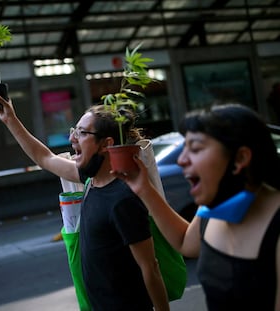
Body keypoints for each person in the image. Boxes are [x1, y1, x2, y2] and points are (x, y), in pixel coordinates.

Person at [0, 95, 169, 311]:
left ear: (106, 144)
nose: (72, 138)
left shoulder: (123, 199)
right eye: (75, 130)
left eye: (82, 133)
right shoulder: (90, 180)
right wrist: (10, 119)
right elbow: (44, 158)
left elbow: (150, 268)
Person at [113, 103, 280, 311]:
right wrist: (144, 189)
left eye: (196, 149)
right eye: (184, 149)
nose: (182, 160)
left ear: (240, 158)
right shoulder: (216, 208)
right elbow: (185, 242)